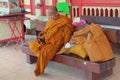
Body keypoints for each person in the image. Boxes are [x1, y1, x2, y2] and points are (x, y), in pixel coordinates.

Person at [29, 6, 73, 76]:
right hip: (45, 41)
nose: (51, 17)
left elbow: (67, 34)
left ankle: (39, 69)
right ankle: (42, 58)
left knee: (44, 52)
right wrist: (42, 36)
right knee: (32, 45)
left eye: (52, 14)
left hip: (55, 44)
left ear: (57, 13)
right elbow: (46, 30)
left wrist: (65, 45)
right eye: (49, 15)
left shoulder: (65, 21)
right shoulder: (50, 20)